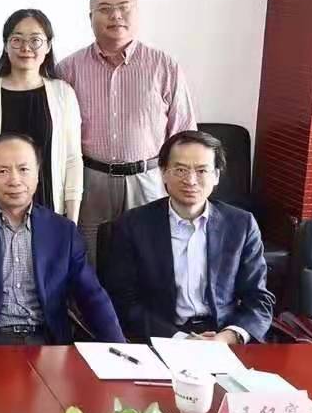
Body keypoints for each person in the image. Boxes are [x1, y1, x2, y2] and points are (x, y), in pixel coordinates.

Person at [0, 134, 123, 346]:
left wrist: (119, 347)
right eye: (2, 171)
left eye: (24, 169)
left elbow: (91, 294)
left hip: (46, 343)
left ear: (37, 173)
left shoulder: (62, 231)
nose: (15, 180)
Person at [57, 0, 195, 261]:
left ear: (137, 13)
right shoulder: (69, 69)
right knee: (89, 258)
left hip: (148, 179)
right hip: (90, 179)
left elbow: (183, 133)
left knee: (148, 258)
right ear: (90, 17)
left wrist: (177, 183)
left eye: (123, 8)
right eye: (105, 9)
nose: (116, 16)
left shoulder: (164, 66)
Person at [105, 130, 273, 344]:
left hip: (223, 338)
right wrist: (180, 339)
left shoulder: (241, 225)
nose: (191, 180)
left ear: (216, 175)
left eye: (202, 170)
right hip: (162, 337)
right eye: (180, 170)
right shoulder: (133, 225)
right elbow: (122, 301)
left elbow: (258, 299)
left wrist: (227, 337)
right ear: (163, 173)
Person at [0, 8, 83, 222]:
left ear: (48, 46)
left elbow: (72, 159)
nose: (26, 48)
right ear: (6, 45)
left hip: (48, 205)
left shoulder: (63, 93)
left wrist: (71, 221)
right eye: (17, 40)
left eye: (35, 40)